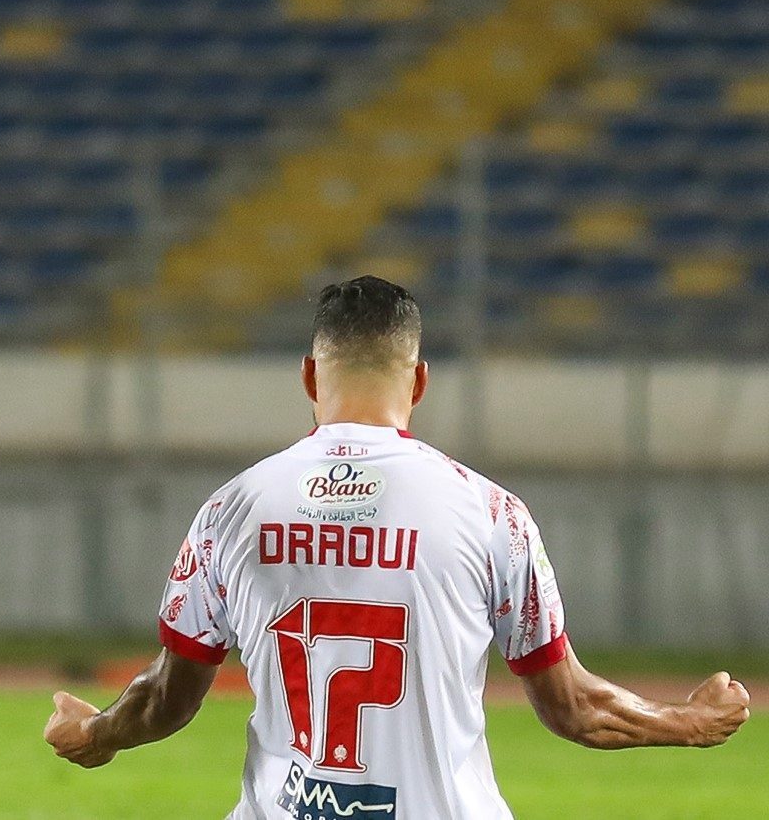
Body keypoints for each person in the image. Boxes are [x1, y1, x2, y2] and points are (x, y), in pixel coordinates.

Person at [44, 276, 749, 819]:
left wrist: (97, 733)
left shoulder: (230, 509)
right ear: (419, 380)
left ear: (309, 376)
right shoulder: (491, 514)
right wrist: (687, 721)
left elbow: (166, 699)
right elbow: (574, 707)